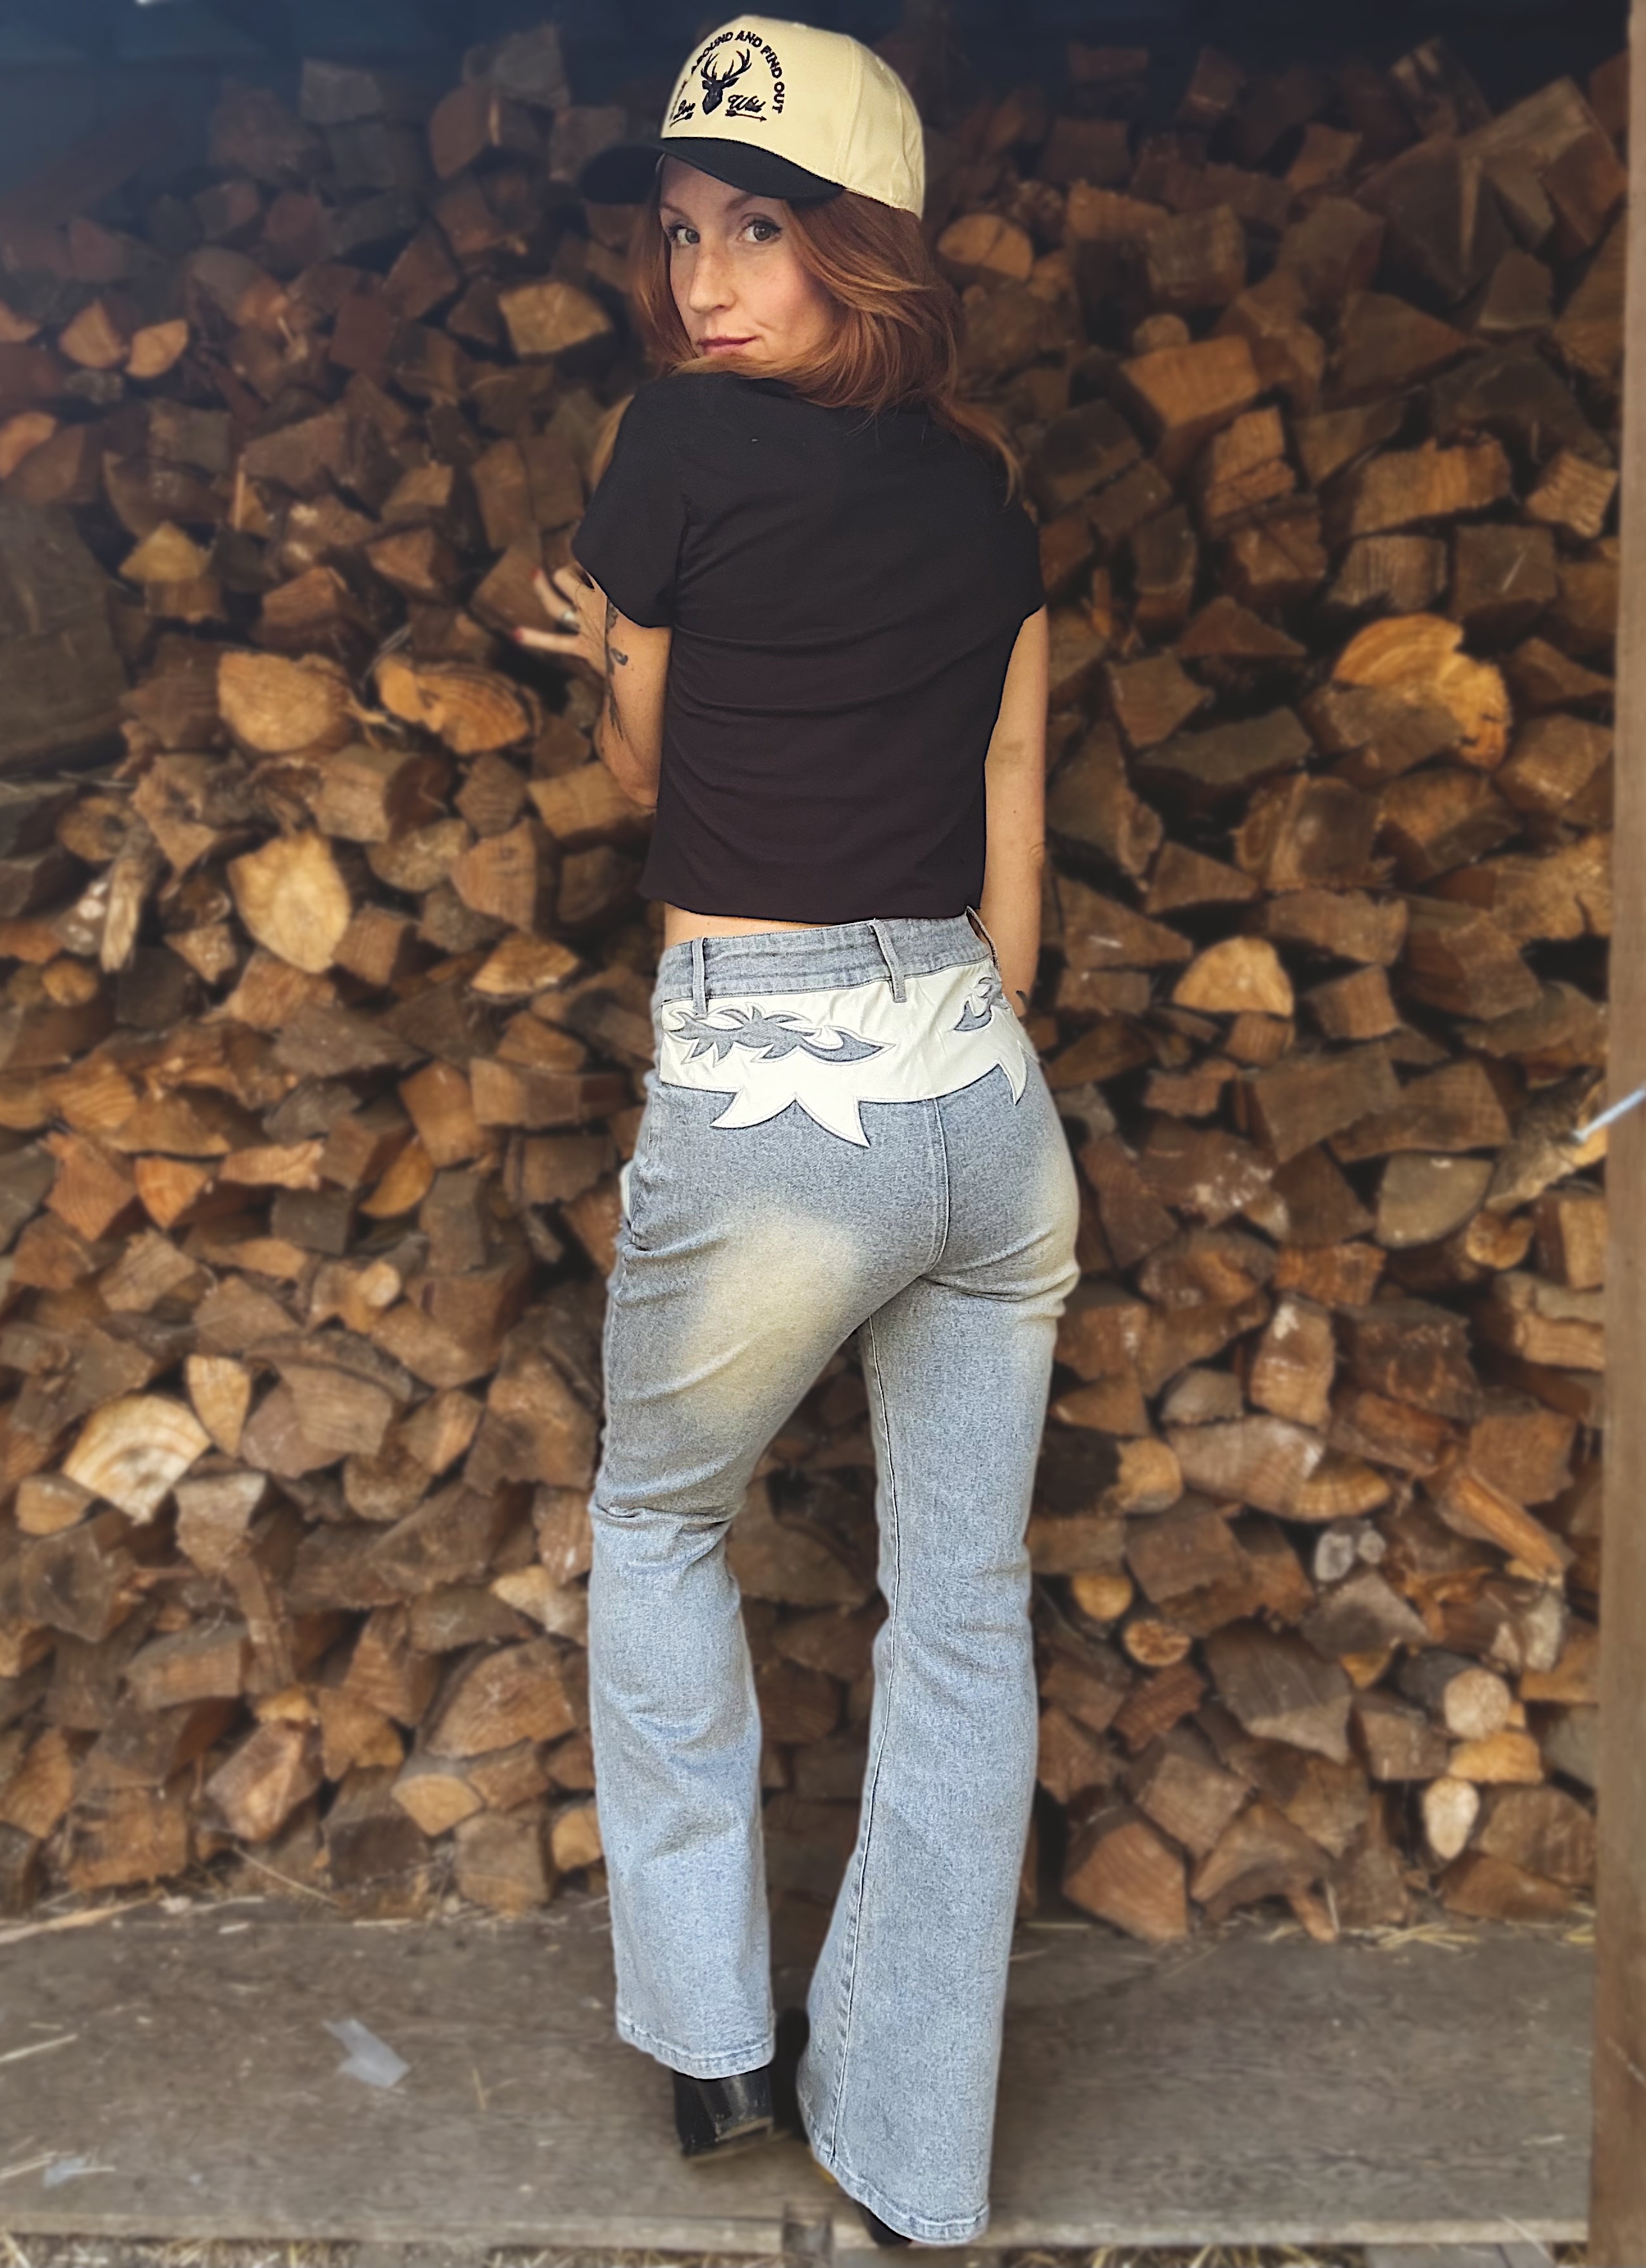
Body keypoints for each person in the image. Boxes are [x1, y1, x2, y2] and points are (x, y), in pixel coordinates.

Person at [512, 14, 1081, 2247]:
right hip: (984, 1100)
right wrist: (960, 1033)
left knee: (658, 1526)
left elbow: (659, 776)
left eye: (758, 228)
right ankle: (914, 2154)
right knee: (964, 1617)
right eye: (680, 235)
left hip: (772, 1093)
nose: (703, 280)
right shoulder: (988, 503)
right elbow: (1010, 828)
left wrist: (606, 649)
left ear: (870, 247)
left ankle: (717, 2044)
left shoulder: (671, 441)